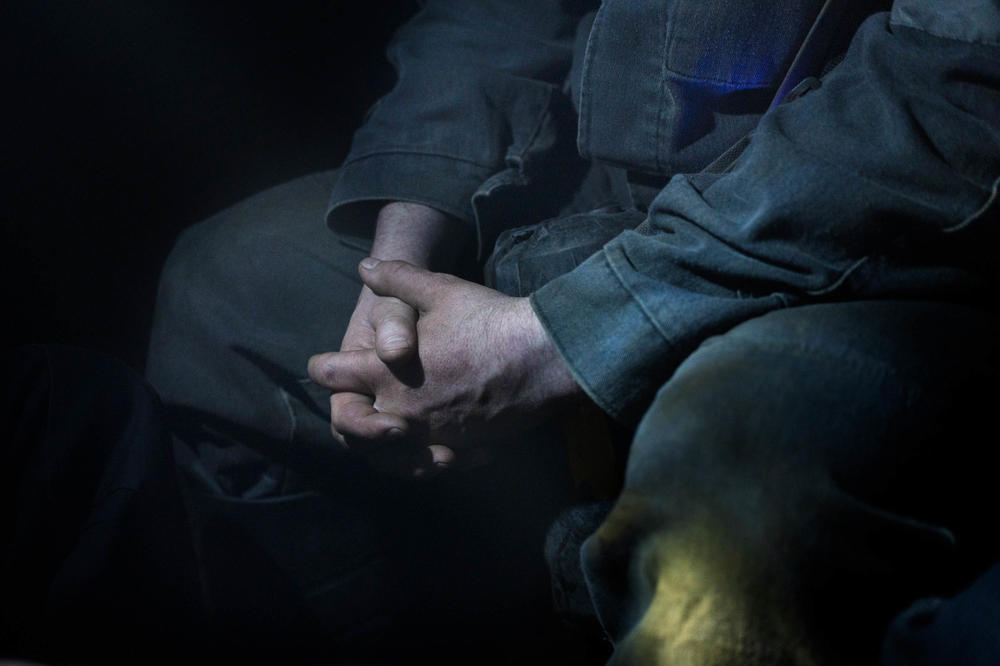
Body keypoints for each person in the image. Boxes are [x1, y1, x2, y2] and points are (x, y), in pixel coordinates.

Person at [5, 0, 1000, 663]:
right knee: (232, 289)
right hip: (601, 203)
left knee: (728, 499)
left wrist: (550, 339)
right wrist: (399, 265)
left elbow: (947, 93)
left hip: (868, 260)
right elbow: (492, 15)